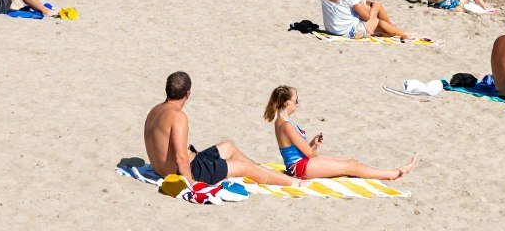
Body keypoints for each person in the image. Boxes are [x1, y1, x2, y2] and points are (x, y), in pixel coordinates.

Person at [145, 71, 302, 189]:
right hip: (192, 172)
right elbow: (180, 157)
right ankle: (294, 182)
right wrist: (192, 185)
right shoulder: (178, 117)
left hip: (168, 168)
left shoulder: (154, 111)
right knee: (244, 168)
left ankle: (262, 170)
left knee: (229, 146)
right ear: (188, 93)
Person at [264, 85, 417, 181]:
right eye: (296, 100)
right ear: (287, 103)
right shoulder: (286, 125)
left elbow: (296, 149)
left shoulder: (282, 122)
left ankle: (391, 172)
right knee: (352, 166)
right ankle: (392, 174)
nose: (297, 104)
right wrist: (315, 148)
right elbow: (309, 154)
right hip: (300, 168)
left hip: (300, 164)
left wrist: (313, 143)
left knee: (352, 163)